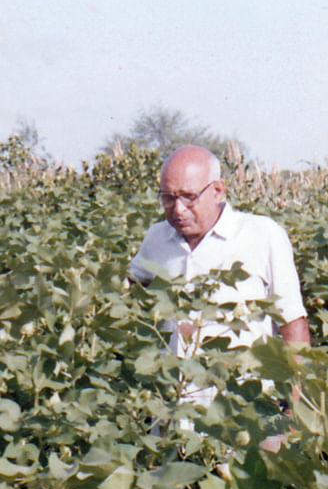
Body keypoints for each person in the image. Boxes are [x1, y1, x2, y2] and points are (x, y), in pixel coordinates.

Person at [129, 144, 310, 408]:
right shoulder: (157, 238)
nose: (178, 209)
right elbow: (127, 289)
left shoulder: (262, 235)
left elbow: (293, 326)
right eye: (168, 198)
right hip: (172, 412)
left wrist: (296, 414)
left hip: (245, 412)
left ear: (217, 191)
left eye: (189, 197)